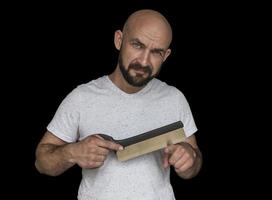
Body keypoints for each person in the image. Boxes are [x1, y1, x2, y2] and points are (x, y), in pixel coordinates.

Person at [35, 9, 202, 200]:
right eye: (137, 45)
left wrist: (189, 157)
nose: (144, 61)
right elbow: (42, 162)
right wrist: (71, 153)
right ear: (119, 40)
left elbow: (193, 165)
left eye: (156, 52)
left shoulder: (175, 98)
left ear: (166, 56)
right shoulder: (81, 97)